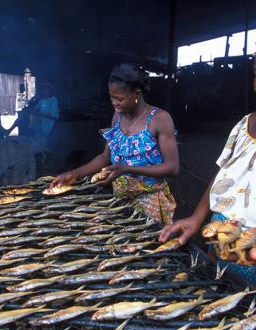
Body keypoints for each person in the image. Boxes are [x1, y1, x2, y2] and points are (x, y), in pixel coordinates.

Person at [159, 19, 256, 318]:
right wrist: (196, 217)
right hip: (223, 252)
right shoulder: (246, 124)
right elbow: (223, 174)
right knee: (220, 324)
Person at [50, 63, 179, 224]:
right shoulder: (118, 116)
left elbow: (173, 168)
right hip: (120, 202)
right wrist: (74, 174)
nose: (114, 102)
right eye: (111, 97)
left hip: (150, 204)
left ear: (137, 94)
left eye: (119, 98)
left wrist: (127, 169)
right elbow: (105, 157)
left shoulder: (160, 119)